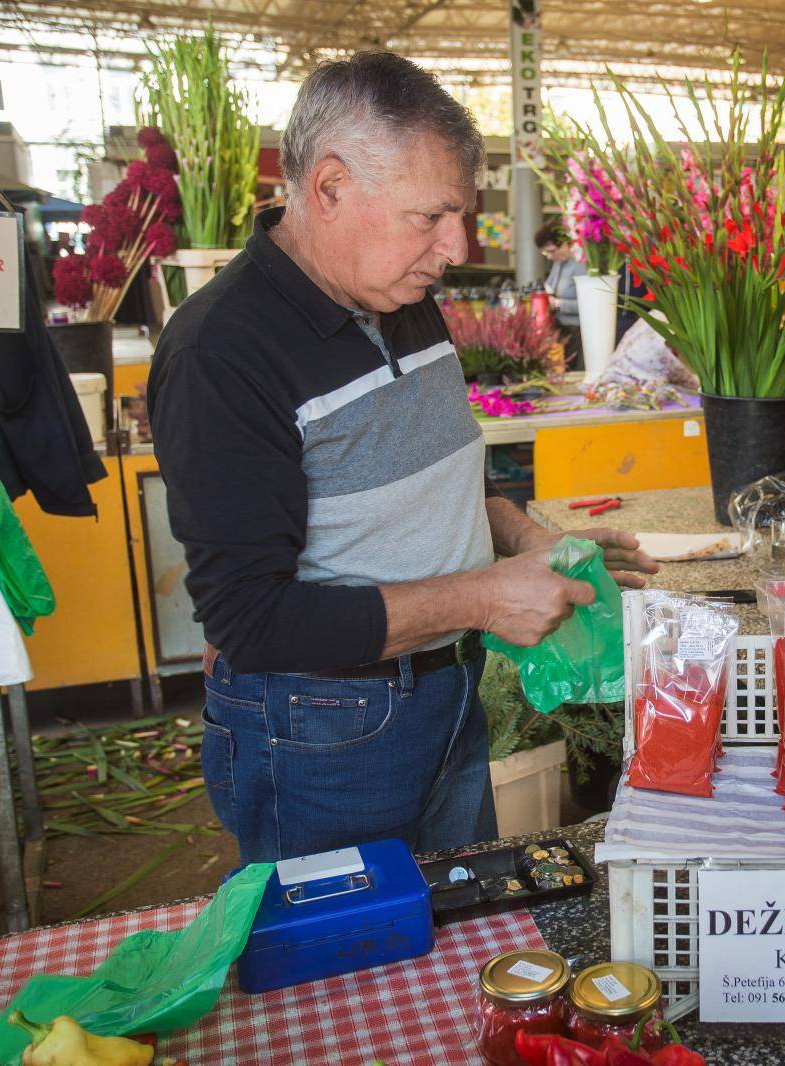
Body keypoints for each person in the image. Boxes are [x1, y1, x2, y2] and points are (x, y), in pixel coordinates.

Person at [149, 52, 658, 864]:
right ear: (328, 189)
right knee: (346, 965)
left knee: (451, 936)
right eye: (432, 216)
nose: (456, 245)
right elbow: (251, 621)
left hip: (444, 695)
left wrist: (521, 539)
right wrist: (483, 599)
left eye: (461, 214)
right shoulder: (221, 351)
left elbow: (432, 479)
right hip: (323, 730)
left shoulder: (401, 299)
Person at [536, 223, 584, 359]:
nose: (549, 257)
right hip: (562, 331)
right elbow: (548, 287)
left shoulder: (581, 264)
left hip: (577, 333)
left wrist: (557, 304)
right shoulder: (559, 263)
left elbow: (590, 305)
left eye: (551, 251)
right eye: (545, 253)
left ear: (565, 243)